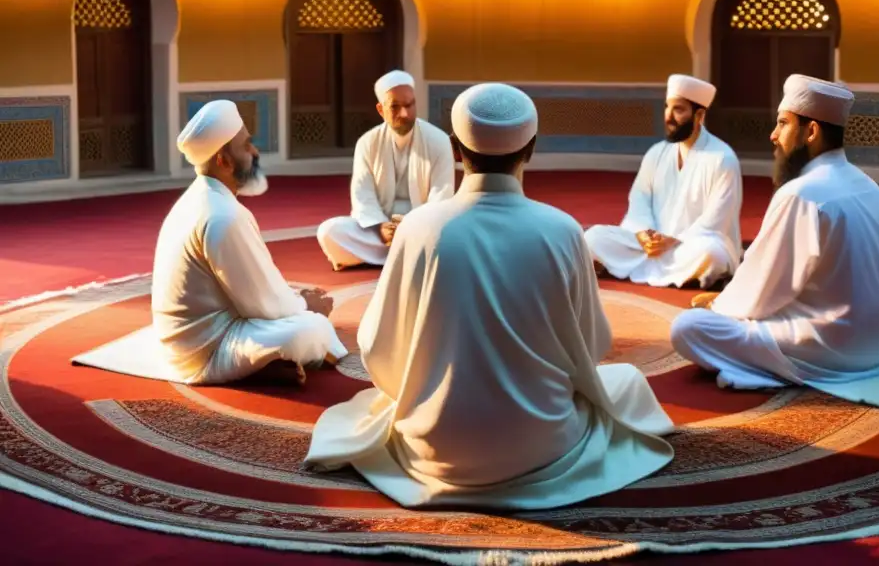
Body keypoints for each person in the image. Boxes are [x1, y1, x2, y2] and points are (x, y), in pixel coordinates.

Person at [303, 83, 674, 510]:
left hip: (434, 452)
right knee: (625, 383)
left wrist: (427, 391)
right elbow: (590, 347)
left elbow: (375, 347)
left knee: (370, 409)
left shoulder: (419, 228)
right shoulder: (563, 230)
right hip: (543, 447)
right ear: (531, 149)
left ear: (457, 150)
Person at [670, 75, 879, 390]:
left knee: (688, 327)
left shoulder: (802, 193)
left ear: (812, 131)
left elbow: (765, 285)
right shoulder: (868, 185)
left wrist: (719, 305)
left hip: (833, 348)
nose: (773, 135)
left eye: (782, 123)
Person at [150, 100, 347, 386]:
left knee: (296, 312)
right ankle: (262, 363)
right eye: (246, 146)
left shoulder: (199, 199)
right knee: (310, 328)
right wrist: (308, 305)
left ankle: (269, 362)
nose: (255, 152)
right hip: (205, 351)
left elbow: (254, 293)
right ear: (223, 161)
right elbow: (265, 306)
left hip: (190, 339)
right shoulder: (223, 215)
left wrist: (293, 299)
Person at [585, 74, 743, 289]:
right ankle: (678, 273)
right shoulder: (656, 153)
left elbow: (717, 220)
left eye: (678, 110)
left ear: (699, 115)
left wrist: (673, 239)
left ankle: (639, 267)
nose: (668, 117)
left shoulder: (722, 158)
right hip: (648, 248)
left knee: (711, 254)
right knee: (593, 237)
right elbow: (639, 200)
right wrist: (643, 234)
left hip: (689, 246)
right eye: (667, 107)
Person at [316, 70, 455, 270]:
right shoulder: (367, 142)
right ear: (381, 110)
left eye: (409, 105)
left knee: (453, 234)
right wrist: (380, 226)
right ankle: (410, 256)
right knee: (329, 231)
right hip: (381, 232)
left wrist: (411, 225)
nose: (405, 114)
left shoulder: (439, 140)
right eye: (395, 107)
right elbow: (362, 193)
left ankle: (398, 254)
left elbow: (442, 196)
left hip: (423, 227)